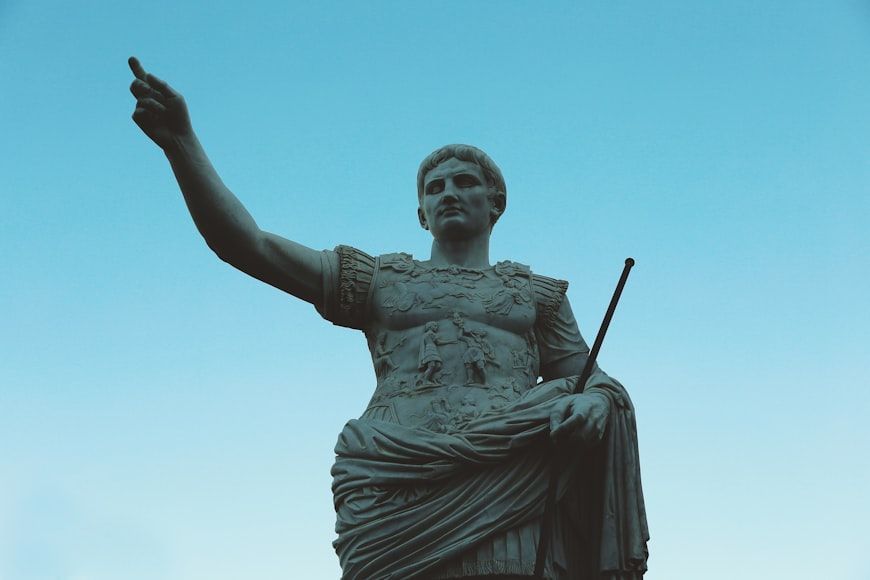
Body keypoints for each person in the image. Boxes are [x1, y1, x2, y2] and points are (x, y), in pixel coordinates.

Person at [128, 57, 649, 580]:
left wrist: (593, 404)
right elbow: (249, 245)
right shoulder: (379, 280)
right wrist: (181, 144)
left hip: (507, 484)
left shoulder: (537, 295)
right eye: (435, 188)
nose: (448, 192)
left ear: (496, 203)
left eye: (464, 182)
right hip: (393, 483)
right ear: (422, 214)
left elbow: (592, 380)